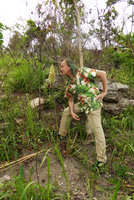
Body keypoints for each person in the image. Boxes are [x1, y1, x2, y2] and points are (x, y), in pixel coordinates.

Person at [59, 59, 107, 168]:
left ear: (69, 68)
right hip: (82, 104)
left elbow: (103, 74)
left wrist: (104, 92)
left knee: (97, 131)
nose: (60, 69)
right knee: (66, 111)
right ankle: (61, 134)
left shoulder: (83, 72)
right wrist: (71, 111)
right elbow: (70, 99)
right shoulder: (69, 84)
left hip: (93, 104)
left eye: (62, 66)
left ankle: (102, 160)